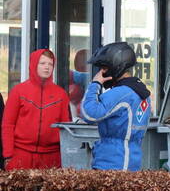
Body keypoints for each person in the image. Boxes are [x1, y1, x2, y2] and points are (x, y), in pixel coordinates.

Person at [79, 42, 152, 171]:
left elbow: (89, 114)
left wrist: (95, 84)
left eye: (104, 68)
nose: (101, 72)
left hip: (112, 162)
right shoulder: (141, 92)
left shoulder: (121, 93)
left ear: (116, 66)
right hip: (131, 160)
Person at [1, 49, 71, 170]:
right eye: (42, 63)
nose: (47, 67)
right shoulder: (18, 91)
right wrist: (8, 155)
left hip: (52, 157)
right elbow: (8, 124)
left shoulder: (61, 95)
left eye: (50, 64)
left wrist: (66, 156)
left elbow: (66, 129)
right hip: (21, 155)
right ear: (34, 64)